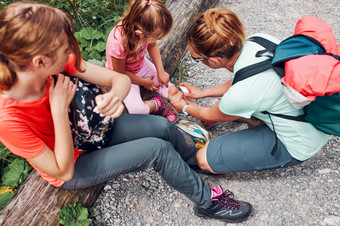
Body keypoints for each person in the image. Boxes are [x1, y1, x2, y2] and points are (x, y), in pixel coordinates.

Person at [0, 1, 252, 223]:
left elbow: (117, 78)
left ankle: (192, 163)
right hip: (74, 162)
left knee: (162, 127)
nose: (71, 53)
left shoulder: (57, 64)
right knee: (157, 150)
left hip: (96, 130)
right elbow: (61, 170)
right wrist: (57, 111)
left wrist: (115, 95)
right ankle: (208, 203)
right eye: (65, 48)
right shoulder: (8, 118)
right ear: (39, 62)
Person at [171, 7, 330, 174]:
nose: (198, 61)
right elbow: (242, 79)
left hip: (298, 143)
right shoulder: (258, 40)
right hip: (313, 115)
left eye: (197, 59)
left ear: (215, 60)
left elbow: (211, 114)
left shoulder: (241, 95)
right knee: (240, 107)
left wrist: (184, 108)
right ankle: (257, 122)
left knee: (203, 159)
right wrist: (202, 93)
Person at [105, 0, 188, 123]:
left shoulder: (143, 27)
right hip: (123, 77)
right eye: (158, 37)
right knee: (137, 110)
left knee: (168, 88)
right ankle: (156, 104)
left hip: (140, 66)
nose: (159, 39)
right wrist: (143, 82)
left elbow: (152, 45)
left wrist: (160, 71)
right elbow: (120, 73)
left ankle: (193, 109)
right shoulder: (118, 43)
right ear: (140, 34)